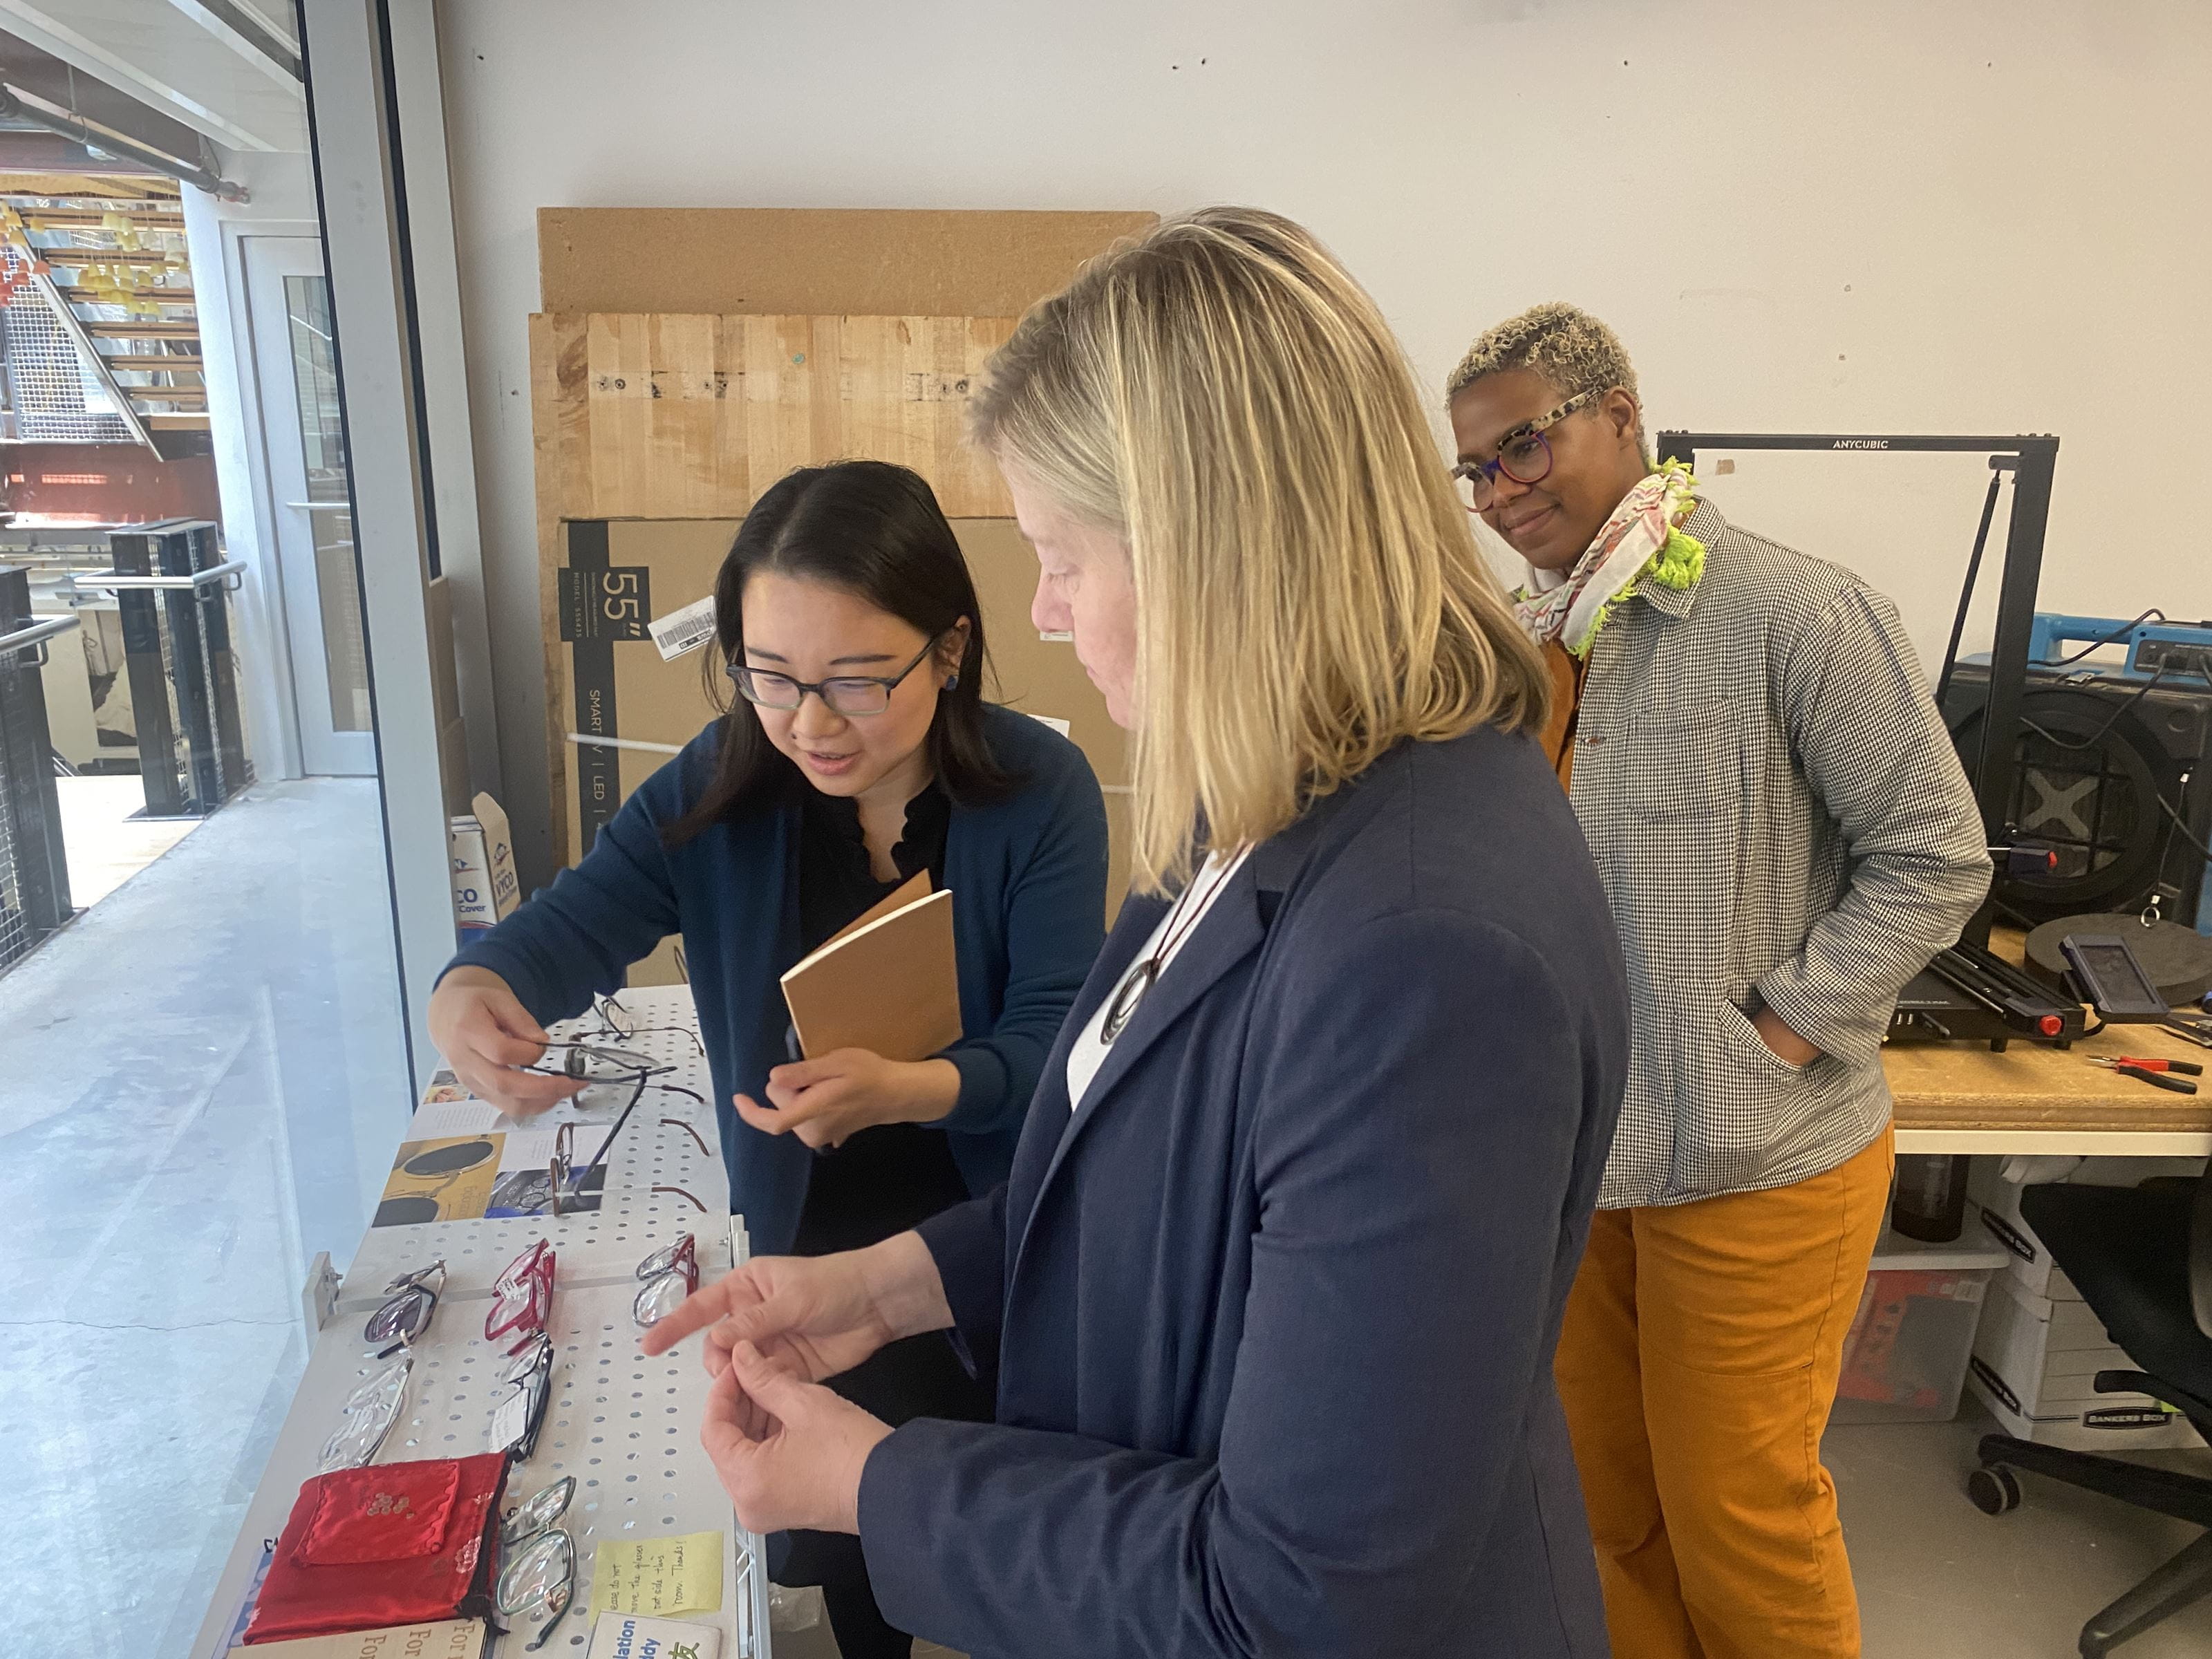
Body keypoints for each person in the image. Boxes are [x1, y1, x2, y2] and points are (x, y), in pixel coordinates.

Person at [643, 207, 1630, 1658]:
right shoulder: (1260, 793)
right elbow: (1142, 1198)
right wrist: (886, 1284)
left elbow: (1298, 1599)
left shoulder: (1427, 952)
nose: (1045, 612)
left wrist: (874, 1484)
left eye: (1063, 556)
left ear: (1210, 553)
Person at [429, 458, 1107, 1658]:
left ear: (950, 648)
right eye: (773, 677)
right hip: (806, 1250)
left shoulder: (1038, 792)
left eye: (857, 681)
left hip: (988, 1238)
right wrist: (472, 988)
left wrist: (911, 1088)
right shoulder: (726, 780)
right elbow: (573, 923)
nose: (811, 725)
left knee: (996, 1527)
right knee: (844, 1542)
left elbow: (1057, 1045)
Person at [1445, 302, 1992, 1659]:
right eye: (1477, 470)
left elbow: (1935, 854)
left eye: (1524, 447)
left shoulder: (1794, 613)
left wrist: (1783, 1029)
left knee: (1739, 1516)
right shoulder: (1524, 642)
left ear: (1621, 416)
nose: (1501, 493)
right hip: (1580, 1164)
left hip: (1756, 1158)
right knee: (1600, 1506)